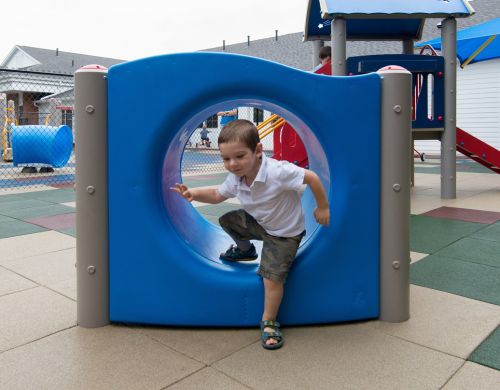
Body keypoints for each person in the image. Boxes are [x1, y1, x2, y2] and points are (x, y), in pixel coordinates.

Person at [171, 119, 330, 350]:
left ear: (257, 151)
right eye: (226, 159)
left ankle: (269, 321)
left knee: (271, 277)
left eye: (239, 156)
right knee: (228, 220)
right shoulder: (236, 177)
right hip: (261, 223)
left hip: (284, 234)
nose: (232, 164)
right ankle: (246, 250)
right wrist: (192, 193)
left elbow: (312, 177)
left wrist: (322, 207)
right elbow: (217, 194)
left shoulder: (278, 171)